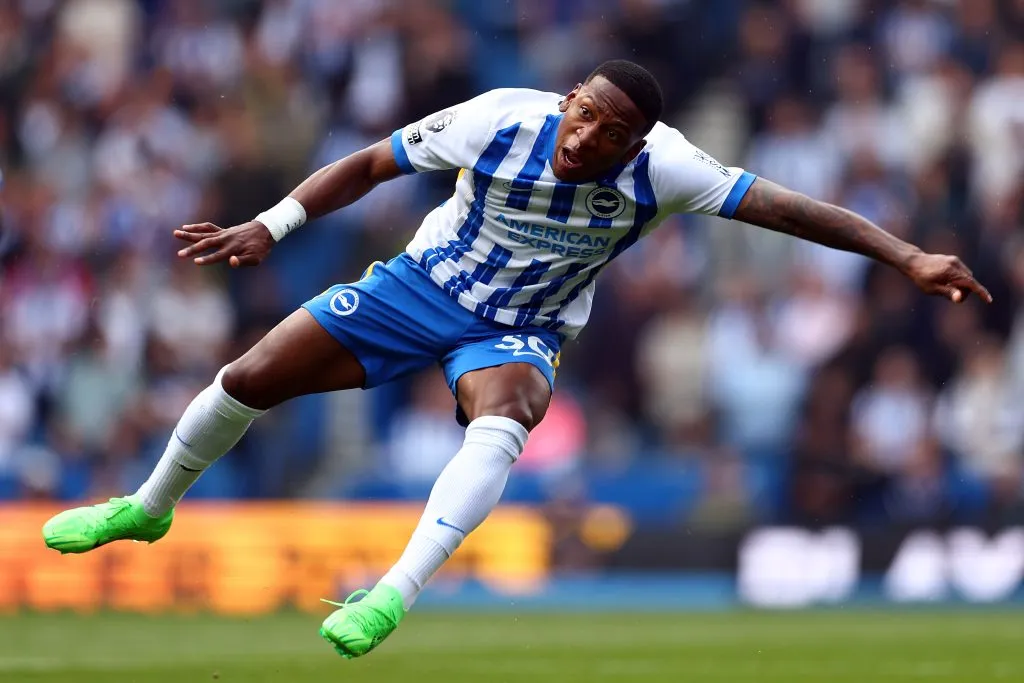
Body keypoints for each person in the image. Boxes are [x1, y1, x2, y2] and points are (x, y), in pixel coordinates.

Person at [41, 60, 990, 658]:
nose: (585, 137)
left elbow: (790, 209)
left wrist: (907, 255)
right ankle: (149, 507)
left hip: (519, 325)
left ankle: (392, 594)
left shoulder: (670, 169)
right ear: (570, 98)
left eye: (609, 134)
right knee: (247, 379)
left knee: (507, 413)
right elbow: (374, 163)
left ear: (637, 141)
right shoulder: (500, 118)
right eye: (583, 115)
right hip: (417, 285)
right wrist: (273, 222)